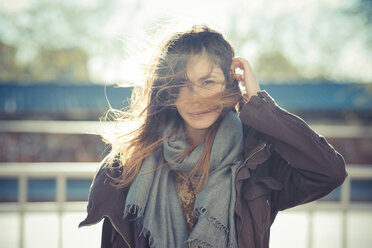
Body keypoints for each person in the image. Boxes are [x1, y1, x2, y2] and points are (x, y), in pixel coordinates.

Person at [79, 24, 347, 248]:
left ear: (231, 84)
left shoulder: (256, 163)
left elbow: (329, 171)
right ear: (167, 92)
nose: (195, 99)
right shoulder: (127, 166)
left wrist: (260, 107)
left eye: (208, 82)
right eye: (181, 85)